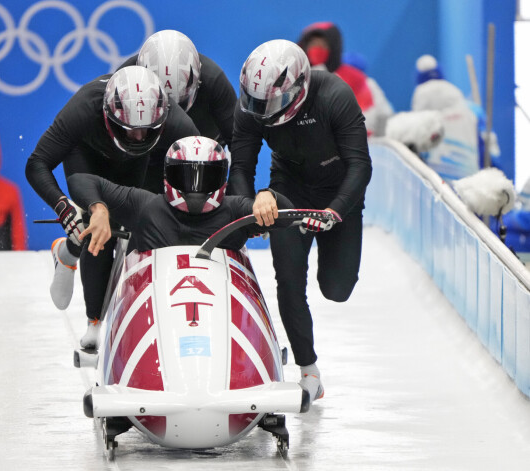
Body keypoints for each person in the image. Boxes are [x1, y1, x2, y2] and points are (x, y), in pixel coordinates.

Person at [228, 39, 372, 402]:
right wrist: (249, 210)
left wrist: (336, 211)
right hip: (289, 189)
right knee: (289, 279)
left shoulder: (335, 95)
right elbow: (241, 166)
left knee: (336, 289)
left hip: (338, 193)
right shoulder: (249, 108)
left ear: (299, 88)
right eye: (256, 105)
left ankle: (334, 232)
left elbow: (360, 165)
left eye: (271, 105)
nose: (264, 112)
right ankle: (309, 370)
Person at [67, 136, 298, 352]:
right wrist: (98, 207)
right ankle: (92, 315)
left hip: (218, 314)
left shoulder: (236, 210)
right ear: (168, 175)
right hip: (159, 312)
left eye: (206, 177)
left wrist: (270, 197)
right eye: (185, 176)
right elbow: (80, 180)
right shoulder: (146, 207)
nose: (195, 188)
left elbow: (289, 216)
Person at [25, 66, 199, 348]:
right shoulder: (83, 109)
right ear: (108, 115)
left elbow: (202, 166)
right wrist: (65, 208)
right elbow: (36, 164)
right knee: (98, 230)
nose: (138, 137)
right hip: (88, 159)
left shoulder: (175, 122)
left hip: (142, 165)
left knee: (149, 221)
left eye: (147, 130)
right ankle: (93, 318)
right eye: (130, 130)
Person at [118, 29, 237, 192]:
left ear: (197, 82)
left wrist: (238, 196)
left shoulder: (214, 81)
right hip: (149, 153)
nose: (174, 115)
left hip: (202, 152)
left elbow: (239, 143)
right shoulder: (124, 80)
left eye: (179, 103)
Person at [297, 22, 392, 137]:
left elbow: (377, 113)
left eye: (323, 45)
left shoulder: (355, 79)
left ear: (333, 46)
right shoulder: (296, 79)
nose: (317, 49)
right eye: (313, 44)